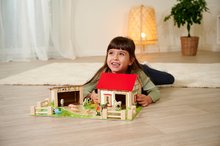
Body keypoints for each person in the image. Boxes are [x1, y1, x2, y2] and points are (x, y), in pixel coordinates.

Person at [83, 36, 171, 107]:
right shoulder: (103, 73)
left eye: (121, 54)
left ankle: (148, 66)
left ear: (130, 60)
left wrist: (149, 98)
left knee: (169, 78)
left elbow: (155, 91)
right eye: (111, 53)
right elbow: (84, 89)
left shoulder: (138, 73)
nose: (115, 57)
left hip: (145, 71)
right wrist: (91, 96)